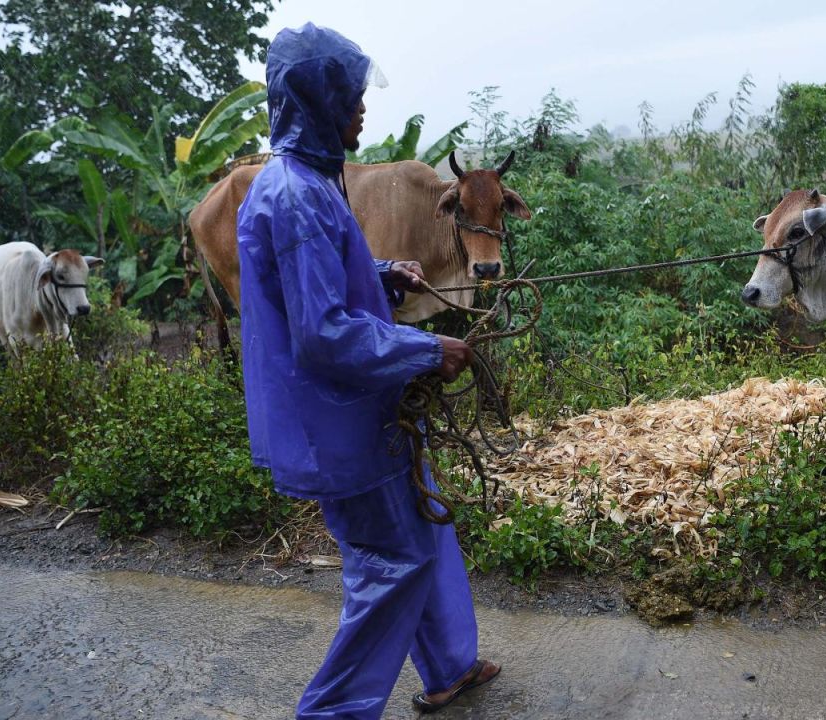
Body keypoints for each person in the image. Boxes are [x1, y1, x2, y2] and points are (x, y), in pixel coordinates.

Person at [236, 23, 500, 718]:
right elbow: (322, 335)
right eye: (349, 97)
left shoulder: (313, 184)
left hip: (367, 413)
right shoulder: (295, 198)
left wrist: (382, 273)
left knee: (424, 530)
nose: (361, 109)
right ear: (318, 103)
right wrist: (426, 350)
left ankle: (451, 667)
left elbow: (324, 286)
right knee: (392, 565)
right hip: (341, 423)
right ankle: (332, 713)